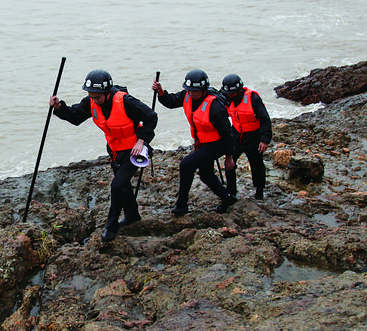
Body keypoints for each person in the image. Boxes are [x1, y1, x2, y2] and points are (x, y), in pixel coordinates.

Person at [50, 69, 157, 245]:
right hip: (115, 151)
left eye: (97, 97)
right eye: (91, 96)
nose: (94, 100)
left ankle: (111, 225)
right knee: (123, 186)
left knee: (117, 185)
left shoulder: (126, 101)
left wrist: (142, 140)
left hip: (134, 152)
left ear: (107, 93)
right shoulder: (91, 101)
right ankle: (132, 216)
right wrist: (59, 107)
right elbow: (75, 116)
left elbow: (151, 117)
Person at [151, 69, 237, 216]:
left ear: (203, 90)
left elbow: (228, 134)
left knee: (186, 164)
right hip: (202, 143)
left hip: (218, 144)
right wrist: (160, 91)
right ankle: (226, 198)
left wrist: (229, 158)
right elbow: (171, 102)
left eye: (194, 91)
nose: (191, 93)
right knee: (206, 174)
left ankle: (182, 205)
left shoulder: (215, 106)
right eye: (188, 90)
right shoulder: (187, 96)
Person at [221, 73, 272, 200]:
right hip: (236, 136)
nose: (230, 95)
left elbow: (265, 119)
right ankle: (231, 191)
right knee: (229, 163)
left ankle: (259, 190)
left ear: (239, 89)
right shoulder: (225, 97)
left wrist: (264, 140)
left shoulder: (253, 98)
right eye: (228, 93)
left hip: (254, 137)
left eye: (232, 92)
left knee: (257, 165)